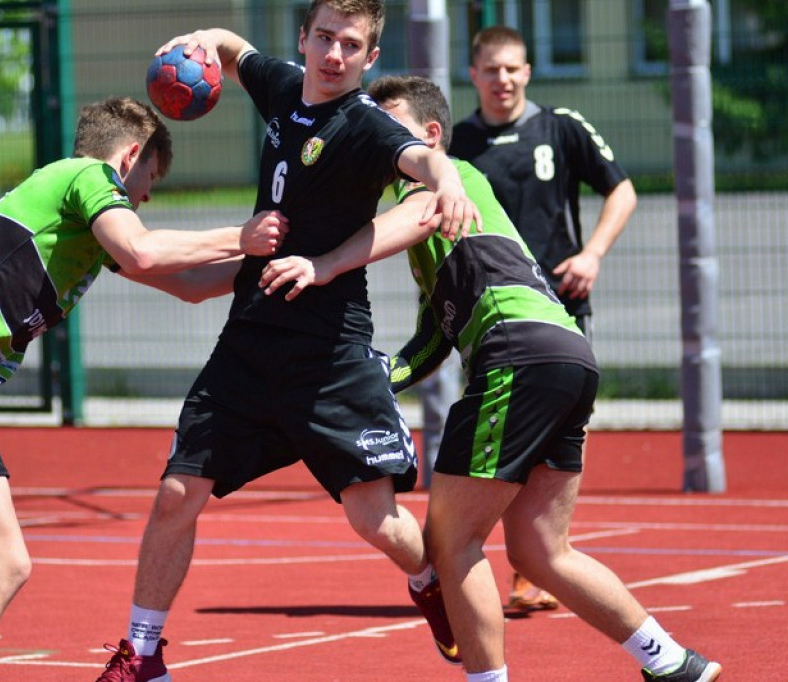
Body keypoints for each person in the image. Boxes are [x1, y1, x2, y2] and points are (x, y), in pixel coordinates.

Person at [261, 73, 721, 682]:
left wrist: (323, 264)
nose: (375, 139)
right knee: (541, 551)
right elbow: (434, 336)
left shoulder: (444, 183)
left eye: (387, 126)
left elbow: (416, 214)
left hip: (517, 357)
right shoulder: (443, 223)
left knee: (451, 544)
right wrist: (376, 378)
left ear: (430, 136)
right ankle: (672, 662)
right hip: (566, 358)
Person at [93, 3, 482, 680]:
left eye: (350, 45)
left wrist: (448, 180)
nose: (334, 54)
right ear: (303, 38)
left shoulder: (364, 124)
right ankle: (143, 655)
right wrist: (201, 39)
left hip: (328, 352)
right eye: (324, 37)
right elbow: (229, 46)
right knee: (177, 494)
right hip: (248, 342)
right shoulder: (280, 85)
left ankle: (426, 580)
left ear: (369, 57)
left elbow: (422, 158)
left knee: (374, 520)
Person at [0, 96, 288, 682]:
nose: (145, 198)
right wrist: (243, 235)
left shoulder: (77, 216)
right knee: (4, 565)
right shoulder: (87, 177)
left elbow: (190, 282)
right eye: (149, 182)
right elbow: (142, 250)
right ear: (130, 157)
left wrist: (275, 265)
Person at [449, 24, 639, 615]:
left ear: (527, 72)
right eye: (491, 70)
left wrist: (592, 254)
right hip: (493, 319)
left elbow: (623, 191)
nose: (502, 79)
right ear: (474, 75)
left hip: (558, 310)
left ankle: (535, 561)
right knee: (500, 440)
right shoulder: (457, 146)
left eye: (512, 69)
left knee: (554, 440)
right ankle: (496, 564)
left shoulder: (561, 127)